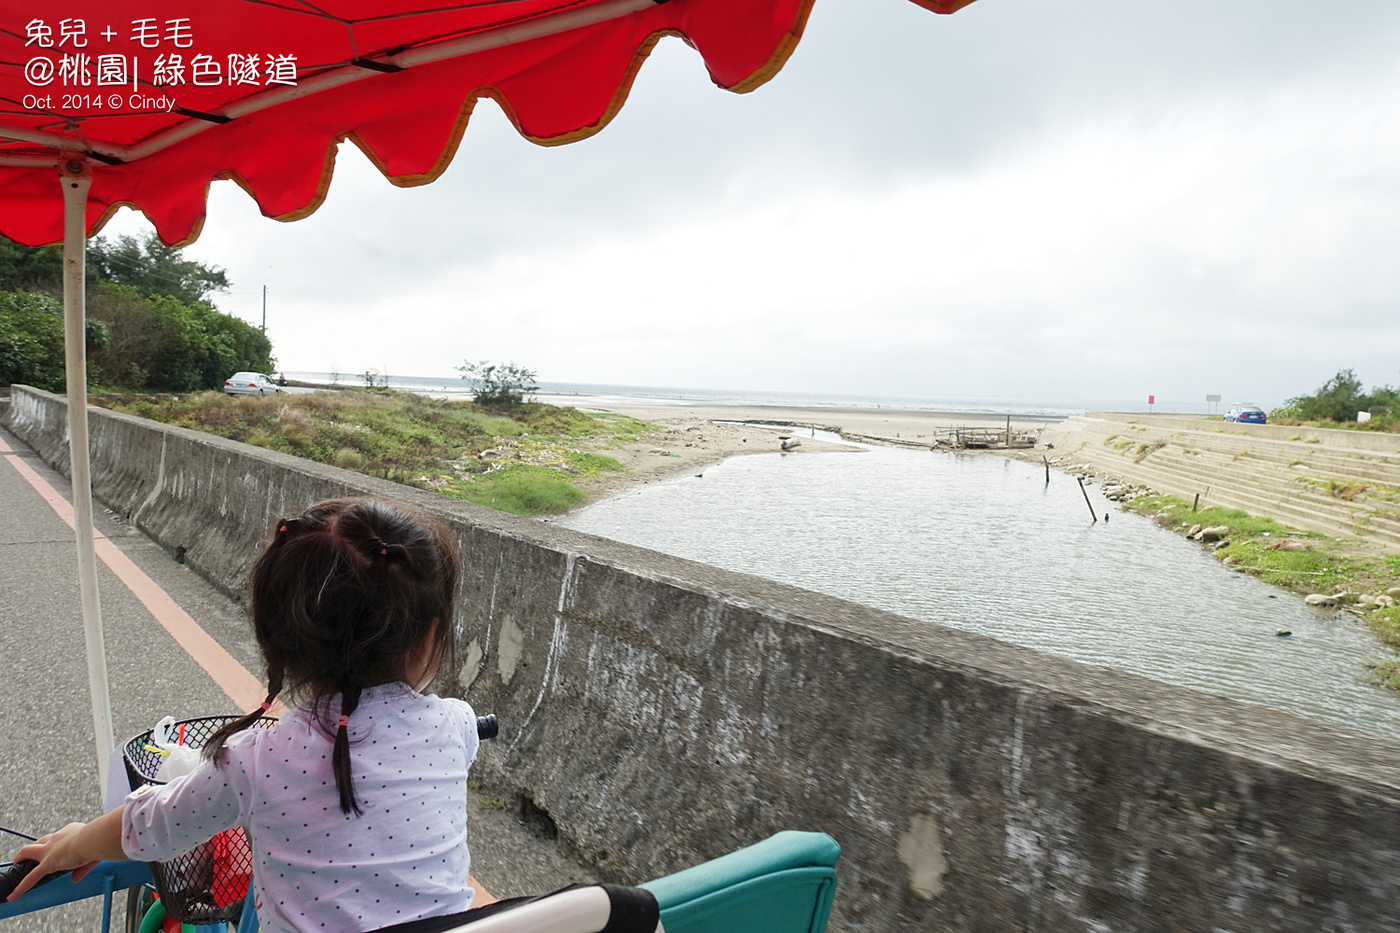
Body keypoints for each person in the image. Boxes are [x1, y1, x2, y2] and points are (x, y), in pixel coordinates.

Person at [6, 498, 479, 933]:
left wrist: (76, 843)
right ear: (428, 637)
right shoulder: (455, 726)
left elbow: (150, 823)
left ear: (279, 641)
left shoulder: (256, 761)